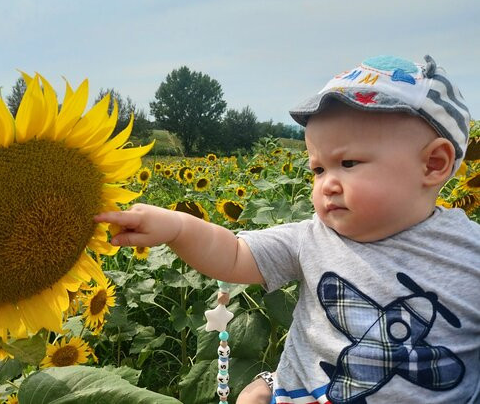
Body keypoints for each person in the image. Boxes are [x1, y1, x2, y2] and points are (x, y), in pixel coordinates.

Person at [94, 55, 480, 403]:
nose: (327, 183)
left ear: (433, 164)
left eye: (348, 163)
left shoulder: (469, 254)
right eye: (317, 169)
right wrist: (178, 228)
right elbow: (232, 254)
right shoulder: (311, 237)